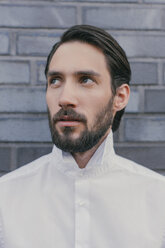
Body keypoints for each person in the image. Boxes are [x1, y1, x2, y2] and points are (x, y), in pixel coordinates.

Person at [0, 25, 165, 248]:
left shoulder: (158, 200)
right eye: (55, 80)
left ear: (119, 96)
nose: (65, 98)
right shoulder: (5, 199)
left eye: (86, 79)